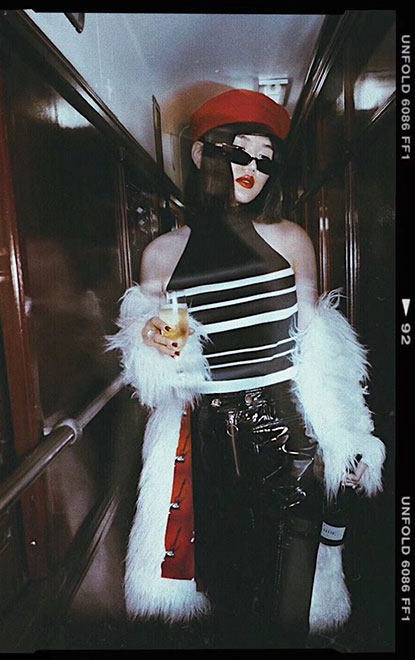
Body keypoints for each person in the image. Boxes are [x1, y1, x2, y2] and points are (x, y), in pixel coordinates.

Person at [106, 89, 386, 648]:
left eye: (264, 159)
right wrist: (150, 342)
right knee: (231, 612)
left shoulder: (290, 240)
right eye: (239, 153)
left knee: (287, 614)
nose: (252, 169)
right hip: (205, 445)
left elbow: (320, 348)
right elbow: (161, 354)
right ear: (201, 155)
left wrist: (350, 436)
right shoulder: (163, 254)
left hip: (290, 437)